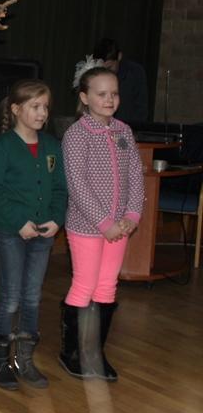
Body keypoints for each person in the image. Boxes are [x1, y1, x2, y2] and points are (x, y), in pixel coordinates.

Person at [59, 63, 144, 382]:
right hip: (88, 226)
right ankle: (71, 353)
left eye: (114, 94)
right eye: (101, 94)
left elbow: (136, 176)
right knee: (85, 285)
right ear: (84, 97)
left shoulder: (124, 131)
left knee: (107, 286)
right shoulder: (77, 134)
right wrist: (104, 222)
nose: (109, 100)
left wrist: (131, 215)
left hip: (120, 226)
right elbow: (77, 184)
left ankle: (95, 352)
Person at [0, 79, 67, 390]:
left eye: (46, 107)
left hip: (44, 234)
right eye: (35, 106)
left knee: (32, 296)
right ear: (17, 109)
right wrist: (19, 222)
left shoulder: (51, 146)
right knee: (10, 296)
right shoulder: (2, 146)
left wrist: (57, 219)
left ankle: (25, 360)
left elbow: (59, 187)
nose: (42, 112)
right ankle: (0, 360)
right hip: (10, 233)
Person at [91, 38, 149, 123]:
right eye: (102, 69)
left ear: (119, 56)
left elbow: (141, 110)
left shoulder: (136, 72)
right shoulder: (93, 74)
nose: (106, 72)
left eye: (110, 67)